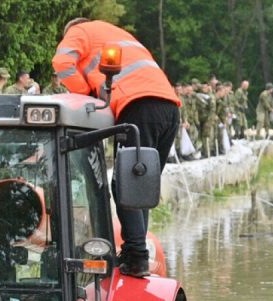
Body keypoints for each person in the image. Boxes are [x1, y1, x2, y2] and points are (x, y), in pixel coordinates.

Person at [53, 18, 180, 277]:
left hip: (138, 105)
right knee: (141, 185)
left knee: (125, 185)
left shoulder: (79, 31)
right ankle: (137, 251)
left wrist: (87, 93)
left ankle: (136, 255)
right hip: (169, 109)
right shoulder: (118, 33)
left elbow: (62, 63)